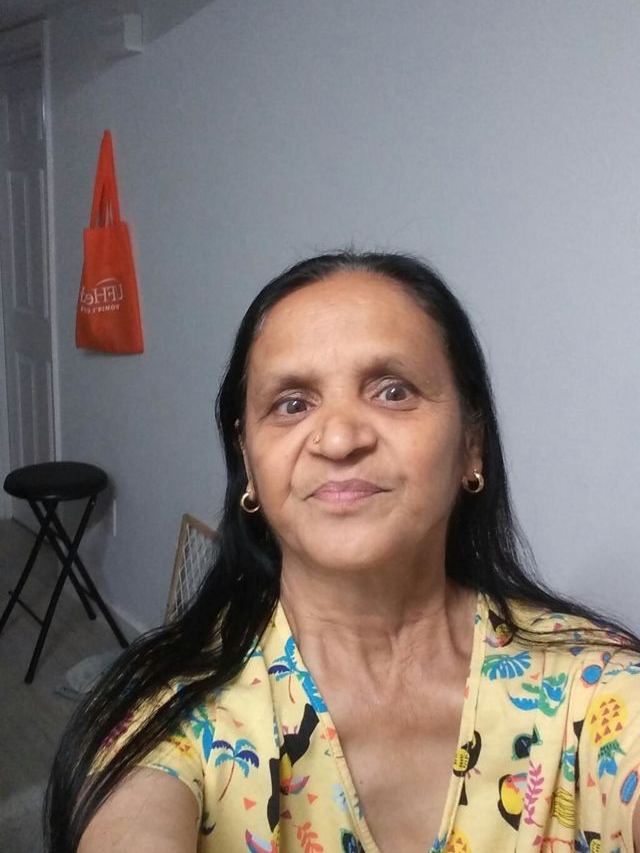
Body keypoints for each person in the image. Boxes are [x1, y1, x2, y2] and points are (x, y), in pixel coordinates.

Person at [46, 251, 640, 853]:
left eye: (393, 391)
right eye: (292, 403)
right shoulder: (173, 723)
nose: (337, 438)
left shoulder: (595, 690)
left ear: (471, 444)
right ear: (248, 462)